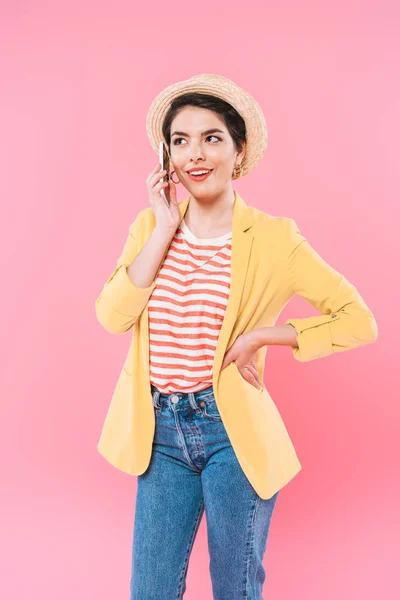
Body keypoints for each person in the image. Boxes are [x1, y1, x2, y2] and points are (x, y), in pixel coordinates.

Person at [95, 74, 378, 600]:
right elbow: (113, 317)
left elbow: (358, 319)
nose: (194, 155)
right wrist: (161, 228)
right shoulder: (148, 229)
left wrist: (268, 336)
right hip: (159, 433)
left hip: (231, 432)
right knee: (150, 590)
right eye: (180, 141)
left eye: (211, 138)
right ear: (166, 156)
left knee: (235, 586)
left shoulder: (275, 238)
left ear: (238, 149)